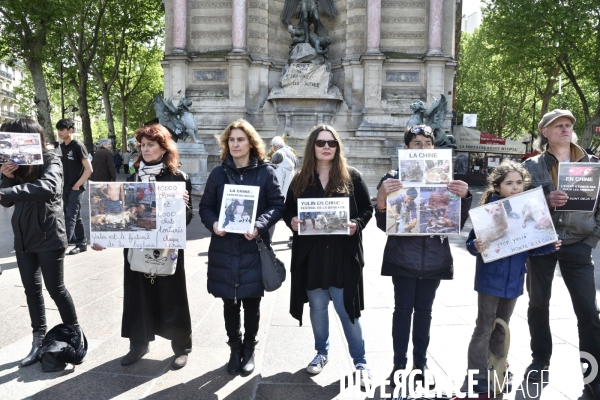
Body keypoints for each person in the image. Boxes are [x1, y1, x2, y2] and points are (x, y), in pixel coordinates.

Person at [375, 125, 472, 388]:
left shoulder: (445, 179)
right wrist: (382, 198)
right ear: (406, 149)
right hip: (403, 258)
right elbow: (383, 225)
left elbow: (457, 223)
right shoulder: (392, 178)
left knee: (425, 312)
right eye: (416, 143)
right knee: (403, 310)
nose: (422, 147)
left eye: (427, 143)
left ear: (434, 147)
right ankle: (398, 363)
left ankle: (420, 362)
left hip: (434, 258)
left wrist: (465, 197)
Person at [91, 124, 194, 370]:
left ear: (163, 148)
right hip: (137, 247)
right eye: (143, 145)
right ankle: (138, 344)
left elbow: (186, 220)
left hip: (166, 248)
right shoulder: (135, 177)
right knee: (137, 295)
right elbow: (124, 216)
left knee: (172, 293)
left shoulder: (178, 178)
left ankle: (182, 347)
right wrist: (103, 236)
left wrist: (184, 206)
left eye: (151, 145)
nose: (145, 150)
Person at [284, 125, 374, 384]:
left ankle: (360, 361)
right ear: (312, 146)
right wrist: (291, 220)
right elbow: (287, 209)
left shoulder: (351, 177)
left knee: (349, 311)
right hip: (311, 258)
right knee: (318, 308)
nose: (327, 147)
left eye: (332, 143)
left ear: (337, 147)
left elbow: (366, 209)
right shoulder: (301, 178)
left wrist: (356, 223)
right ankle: (321, 353)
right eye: (321, 142)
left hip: (343, 256)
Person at [460, 160, 560, 394]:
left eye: (519, 183)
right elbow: (471, 244)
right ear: (497, 187)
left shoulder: (528, 211)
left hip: (514, 280)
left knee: (502, 328)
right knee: (484, 326)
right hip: (489, 279)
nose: (515, 187)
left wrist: (550, 245)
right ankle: (476, 374)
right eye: (509, 183)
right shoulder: (488, 212)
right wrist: (475, 245)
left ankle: (496, 370)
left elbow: (533, 248)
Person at [522, 109, 600, 397]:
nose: (565, 129)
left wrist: (592, 239)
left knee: (588, 313)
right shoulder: (530, 168)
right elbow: (517, 207)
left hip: (579, 245)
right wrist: (545, 200)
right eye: (557, 126)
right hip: (541, 244)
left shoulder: (592, 164)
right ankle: (540, 359)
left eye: (568, 125)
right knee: (538, 305)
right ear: (545, 131)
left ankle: (593, 375)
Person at [199, 119, 285, 377]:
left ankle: (249, 349)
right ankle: (234, 348)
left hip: (252, 247)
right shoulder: (218, 174)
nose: (235, 144)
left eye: (240, 139)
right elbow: (205, 207)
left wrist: (259, 225)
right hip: (224, 247)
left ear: (251, 143)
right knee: (229, 302)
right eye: (231, 140)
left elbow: (277, 205)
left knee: (251, 301)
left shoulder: (266, 172)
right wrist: (214, 223)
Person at [0, 118, 80, 367]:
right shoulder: (15, 163)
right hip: (23, 235)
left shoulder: (51, 157)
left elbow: (48, 187)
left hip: (49, 234)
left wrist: (5, 190)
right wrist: (6, 177)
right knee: (31, 290)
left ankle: (74, 336)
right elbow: (7, 202)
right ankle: (38, 339)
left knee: (56, 289)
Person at [56, 118, 93, 255]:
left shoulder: (78, 146)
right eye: (58, 129)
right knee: (75, 216)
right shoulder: (61, 147)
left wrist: (77, 185)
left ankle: (60, 247)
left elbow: (89, 169)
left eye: (62, 129)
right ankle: (82, 242)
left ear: (70, 130)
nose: (59, 132)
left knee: (70, 216)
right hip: (64, 187)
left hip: (76, 188)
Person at [269, 151, 295, 238]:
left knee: (273, 218)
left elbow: (278, 185)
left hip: (281, 197)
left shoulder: (279, 169)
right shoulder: (290, 167)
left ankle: (269, 239)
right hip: (290, 196)